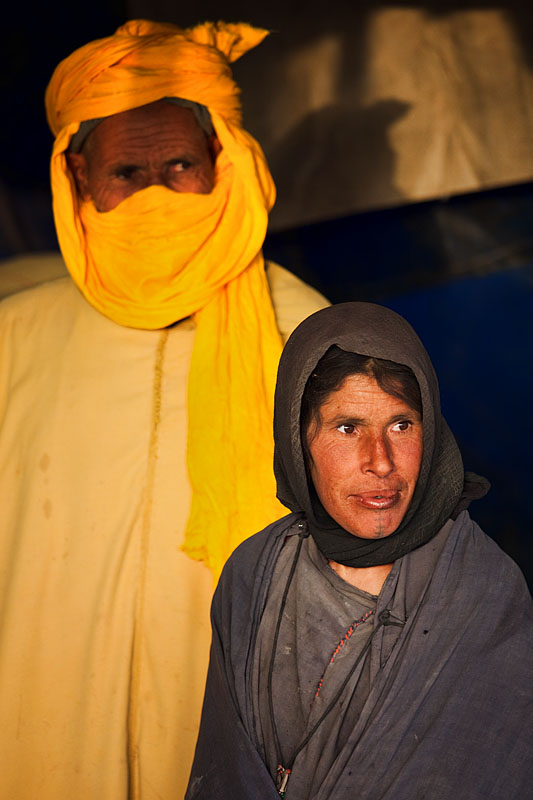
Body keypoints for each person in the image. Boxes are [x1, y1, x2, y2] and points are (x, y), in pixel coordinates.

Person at [0, 20, 328, 800]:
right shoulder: (15, 337)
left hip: (239, 727)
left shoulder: (305, 328)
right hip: (39, 721)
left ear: (224, 163)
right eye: (125, 170)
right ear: (78, 178)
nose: (153, 193)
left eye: (178, 163)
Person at [187, 301, 533, 799]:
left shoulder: (483, 593)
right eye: (348, 428)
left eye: (401, 425)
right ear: (298, 440)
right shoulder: (253, 576)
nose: (381, 461)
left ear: (430, 432)